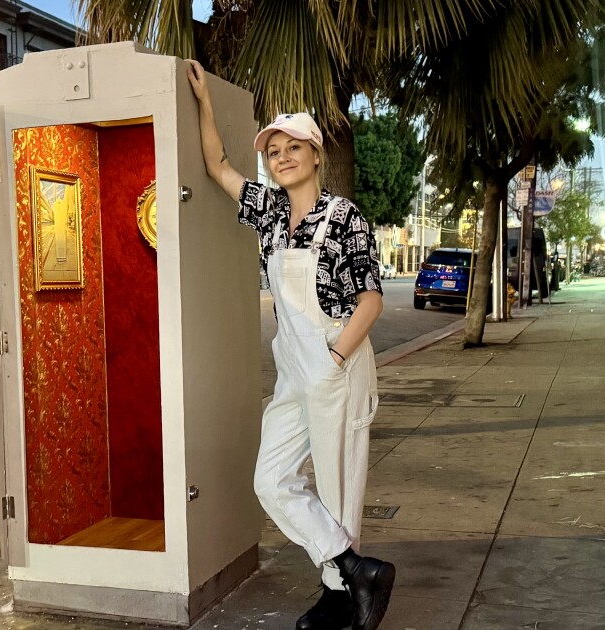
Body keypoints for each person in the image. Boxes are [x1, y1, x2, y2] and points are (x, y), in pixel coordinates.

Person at [187, 61, 394, 630]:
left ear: (316, 154)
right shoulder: (271, 213)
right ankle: (354, 569)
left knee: (337, 486)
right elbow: (217, 165)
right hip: (292, 367)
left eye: (292, 147)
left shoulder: (343, 217)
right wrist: (205, 102)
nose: (281, 157)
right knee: (271, 479)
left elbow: (371, 300)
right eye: (274, 151)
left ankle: (340, 596)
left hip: (334, 357)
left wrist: (334, 358)